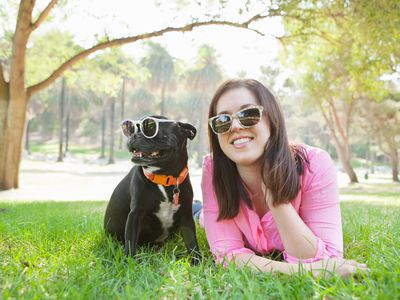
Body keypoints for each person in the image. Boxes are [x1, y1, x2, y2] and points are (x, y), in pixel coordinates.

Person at [200, 78, 367, 277]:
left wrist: (276, 200)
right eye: (222, 120)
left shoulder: (315, 164)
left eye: (248, 114)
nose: (235, 126)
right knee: (200, 216)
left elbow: (328, 257)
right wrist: (307, 272)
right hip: (204, 215)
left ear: (272, 119)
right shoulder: (213, 168)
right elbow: (228, 256)